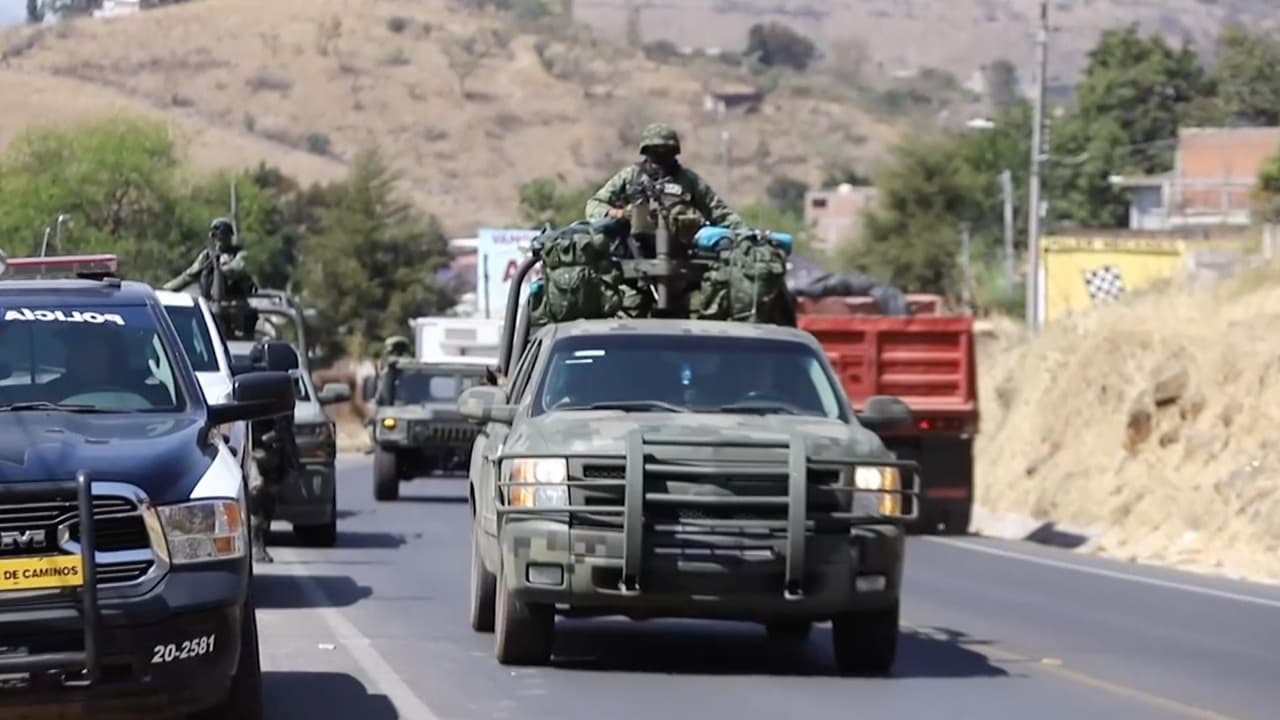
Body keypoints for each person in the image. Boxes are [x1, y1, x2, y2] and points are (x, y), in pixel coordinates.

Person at [585, 123, 745, 231]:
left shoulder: (689, 180)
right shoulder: (630, 176)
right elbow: (594, 205)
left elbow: (720, 212)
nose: (661, 154)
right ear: (646, 151)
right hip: (634, 248)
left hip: (683, 251)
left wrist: (745, 233)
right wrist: (618, 214)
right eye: (655, 149)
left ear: (674, 151)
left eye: (666, 149)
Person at [245, 342, 302, 564]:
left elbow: (286, 427)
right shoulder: (252, 389)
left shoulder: (284, 392)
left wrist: (292, 460)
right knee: (257, 492)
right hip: (253, 452)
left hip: (273, 454)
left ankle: (260, 541)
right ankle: (254, 543)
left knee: (268, 498)